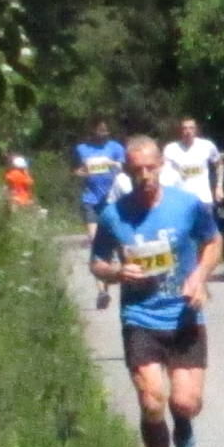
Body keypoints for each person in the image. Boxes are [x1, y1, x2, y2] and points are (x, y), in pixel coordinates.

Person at [84, 136, 220, 447]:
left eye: (150, 168)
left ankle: (184, 419)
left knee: (185, 402)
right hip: (140, 316)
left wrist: (198, 277)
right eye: (136, 170)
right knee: (151, 400)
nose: (144, 175)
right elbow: (96, 262)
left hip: (184, 315)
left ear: (161, 166)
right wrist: (116, 272)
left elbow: (213, 242)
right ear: (127, 172)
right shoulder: (114, 215)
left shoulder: (187, 205)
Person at [162, 117, 224, 270]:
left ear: (196, 130)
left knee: (205, 235)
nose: (188, 131)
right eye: (184, 128)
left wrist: (219, 187)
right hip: (181, 199)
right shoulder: (171, 149)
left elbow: (219, 164)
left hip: (203, 198)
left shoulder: (206, 146)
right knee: (184, 234)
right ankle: (188, 266)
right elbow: (164, 173)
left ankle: (202, 267)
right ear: (180, 131)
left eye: (191, 128)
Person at [75, 119, 129, 307]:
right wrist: (81, 173)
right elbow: (77, 171)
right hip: (91, 200)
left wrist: (110, 162)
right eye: (99, 130)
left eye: (105, 130)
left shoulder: (115, 147)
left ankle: (124, 277)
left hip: (112, 200)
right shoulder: (82, 149)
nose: (102, 133)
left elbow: (123, 168)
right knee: (95, 240)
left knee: (119, 242)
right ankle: (102, 291)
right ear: (92, 130)